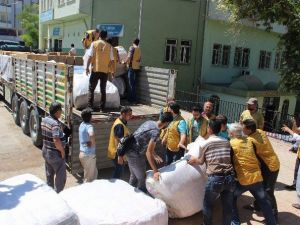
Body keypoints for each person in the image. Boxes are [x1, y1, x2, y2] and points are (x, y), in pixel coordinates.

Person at [188, 119, 235, 225]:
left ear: (209, 129)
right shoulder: (227, 142)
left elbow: (200, 161)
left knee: (208, 205)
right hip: (230, 177)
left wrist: (193, 159)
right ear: (219, 129)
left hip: (215, 178)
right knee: (227, 207)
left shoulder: (204, 144)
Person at [229, 123, 276, 225]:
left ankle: (235, 222)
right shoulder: (249, 141)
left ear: (231, 133)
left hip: (244, 180)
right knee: (264, 202)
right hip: (257, 178)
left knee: (230, 196)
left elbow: (231, 162)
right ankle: (272, 222)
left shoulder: (231, 144)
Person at [120, 112, 173, 192]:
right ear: (167, 123)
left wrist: (154, 154)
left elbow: (144, 139)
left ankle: (129, 193)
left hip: (129, 150)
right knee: (142, 179)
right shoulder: (156, 132)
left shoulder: (149, 122)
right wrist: (155, 171)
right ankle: (142, 197)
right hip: (135, 154)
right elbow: (148, 153)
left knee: (133, 176)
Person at [242, 119, 280, 220]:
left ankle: (274, 215)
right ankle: (257, 205)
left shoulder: (250, 140)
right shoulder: (260, 131)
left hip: (269, 167)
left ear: (249, 130)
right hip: (273, 162)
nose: (242, 129)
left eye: (243, 127)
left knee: (268, 191)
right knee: (259, 187)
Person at [86, 29, 114, 112]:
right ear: (106, 37)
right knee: (103, 89)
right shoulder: (109, 46)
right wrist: (110, 69)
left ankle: (90, 107)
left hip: (95, 69)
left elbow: (90, 56)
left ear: (99, 35)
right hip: (105, 71)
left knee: (91, 88)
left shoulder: (94, 44)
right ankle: (102, 108)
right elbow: (112, 60)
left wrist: (87, 67)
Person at [41, 102, 66, 193]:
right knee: (60, 177)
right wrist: (62, 152)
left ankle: (49, 192)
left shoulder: (44, 120)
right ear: (57, 112)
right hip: (55, 154)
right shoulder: (55, 124)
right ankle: (58, 195)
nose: (61, 112)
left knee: (49, 174)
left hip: (46, 151)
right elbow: (56, 139)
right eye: (60, 111)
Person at [107, 106, 132, 179]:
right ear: (123, 114)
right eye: (129, 114)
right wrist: (120, 156)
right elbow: (118, 141)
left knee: (119, 171)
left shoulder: (121, 121)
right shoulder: (119, 125)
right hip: (116, 153)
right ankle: (114, 186)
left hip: (117, 152)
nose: (131, 116)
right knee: (119, 171)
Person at [79, 108, 97, 182]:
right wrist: (93, 143)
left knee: (92, 173)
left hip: (82, 154)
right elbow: (91, 134)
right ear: (90, 117)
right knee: (89, 179)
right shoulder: (89, 126)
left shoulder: (82, 124)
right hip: (89, 155)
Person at [282, 124, 300, 193]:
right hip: (299, 155)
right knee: (296, 170)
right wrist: (294, 124)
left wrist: (288, 130)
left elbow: (297, 137)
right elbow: (296, 131)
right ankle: (295, 185)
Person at [125, 38, 141, 103]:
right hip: (137, 68)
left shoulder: (132, 48)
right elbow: (139, 59)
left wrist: (124, 62)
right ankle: (135, 99)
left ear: (133, 42)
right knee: (134, 84)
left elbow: (129, 57)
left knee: (130, 84)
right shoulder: (139, 49)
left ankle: (130, 100)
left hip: (131, 67)